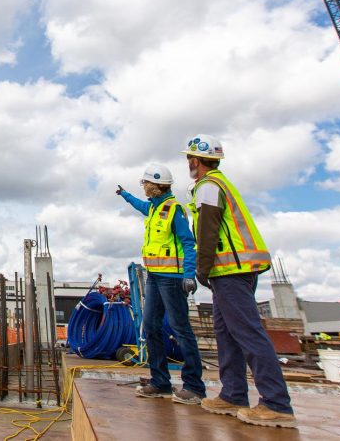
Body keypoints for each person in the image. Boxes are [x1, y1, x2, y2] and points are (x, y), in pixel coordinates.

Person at [184, 134, 296, 428]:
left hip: (231, 270)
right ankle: (233, 394)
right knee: (226, 334)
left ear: (196, 160)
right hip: (230, 271)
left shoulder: (208, 186)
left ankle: (276, 402)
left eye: (189, 159)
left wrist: (202, 268)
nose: (188, 164)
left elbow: (207, 230)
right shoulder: (219, 183)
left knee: (247, 333)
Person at [117, 163, 206, 405]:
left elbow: (188, 242)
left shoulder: (174, 209)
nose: (144, 187)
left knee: (180, 329)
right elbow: (140, 205)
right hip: (154, 276)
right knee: (151, 327)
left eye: (146, 183)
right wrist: (125, 195)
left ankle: (195, 387)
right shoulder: (155, 208)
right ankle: (160, 382)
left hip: (173, 278)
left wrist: (189, 274)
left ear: (157, 185)